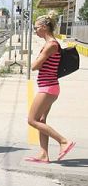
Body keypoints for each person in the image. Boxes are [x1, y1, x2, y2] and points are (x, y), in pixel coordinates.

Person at [27, 13, 76, 163]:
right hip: (49, 87)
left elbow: (34, 66)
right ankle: (44, 154)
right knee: (41, 120)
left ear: (44, 27)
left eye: (36, 28)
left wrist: (36, 60)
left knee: (32, 120)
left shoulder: (51, 45)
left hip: (48, 88)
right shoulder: (51, 44)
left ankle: (63, 141)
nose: (35, 31)